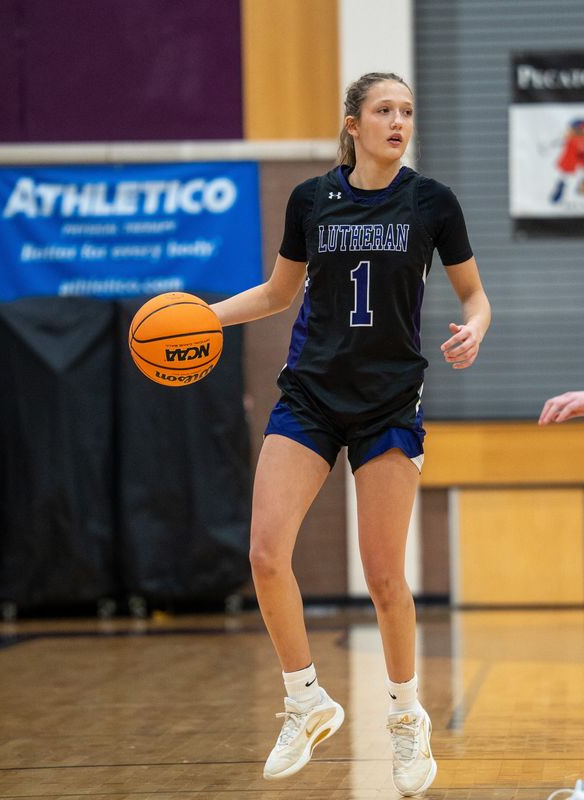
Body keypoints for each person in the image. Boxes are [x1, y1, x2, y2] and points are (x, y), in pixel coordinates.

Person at [210, 71, 491, 795]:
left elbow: (474, 294)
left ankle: (405, 717)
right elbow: (278, 294)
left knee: (386, 576)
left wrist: (478, 327)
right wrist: (203, 316)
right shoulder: (312, 201)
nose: (398, 122)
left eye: (405, 111)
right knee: (267, 552)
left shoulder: (433, 202)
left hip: (389, 403)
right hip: (310, 394)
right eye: (383, 111)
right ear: (352, 123)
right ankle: (304, 699)